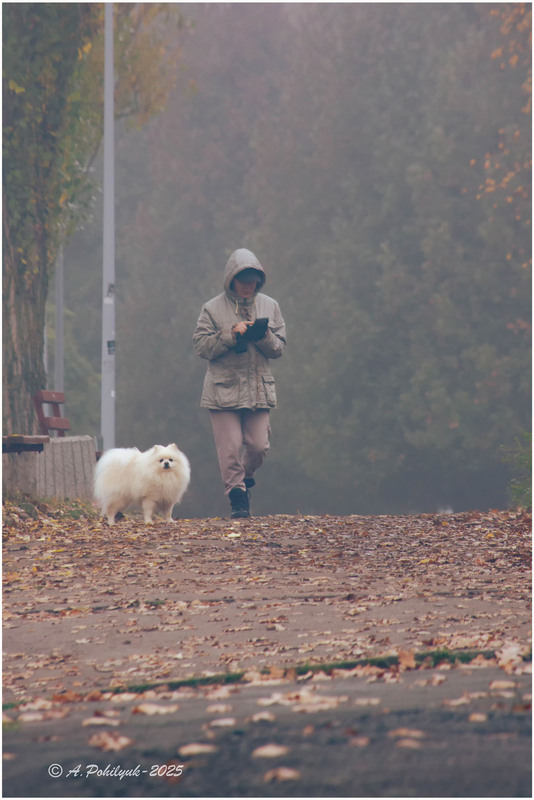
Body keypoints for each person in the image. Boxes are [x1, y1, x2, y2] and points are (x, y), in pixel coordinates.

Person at [193, 248, 286, 518]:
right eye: (243, 280)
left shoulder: (271, 306)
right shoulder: (211, 309)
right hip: (223, 391)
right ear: (231, 279)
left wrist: (263, 335)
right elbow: (201, 346)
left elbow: (279, 348)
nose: (248, 286)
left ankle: (243, 479)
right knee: (230, 447)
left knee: (259, 446)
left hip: (258, 389)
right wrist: (230, 334)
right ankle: (237, 498)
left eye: (253, 280)